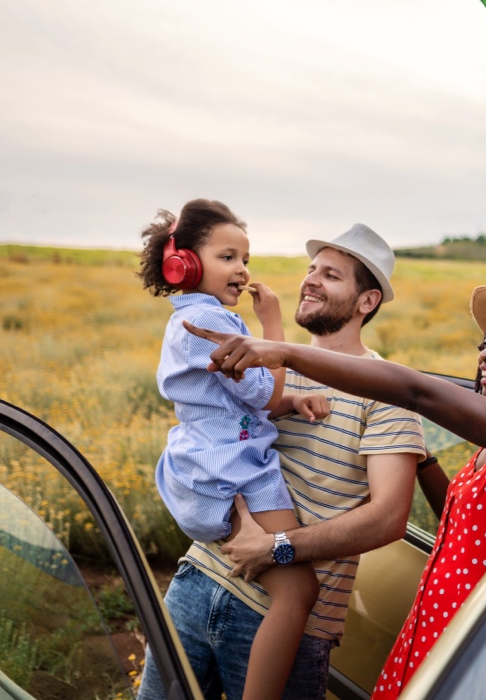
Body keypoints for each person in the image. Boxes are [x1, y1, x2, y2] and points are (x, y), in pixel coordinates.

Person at [185, 279, 486, 700]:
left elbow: (417, 392)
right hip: (441, 629)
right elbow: (467, 522)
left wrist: (287, 353)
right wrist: (422, 459)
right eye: (485, 343)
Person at [138, 223, 427, 700]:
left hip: (283, 619)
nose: (310, 280)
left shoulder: (387, 391)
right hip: (196, 583)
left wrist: (278, 548)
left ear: (367, 302)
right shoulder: (266, 365)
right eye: (310, 269)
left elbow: (389, 518)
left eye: (330, 275)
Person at [139, 198, 323, 700]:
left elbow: (239, 405)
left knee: (290, 588)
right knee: (301, 590)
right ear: (186, 264)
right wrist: (274, 327)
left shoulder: (189, 320)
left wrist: (294, 399)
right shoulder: (212, 325)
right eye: (227, 257)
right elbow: (263, 391)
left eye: (245, 259)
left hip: (206, 469)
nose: (241, 270)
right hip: (237, 473)